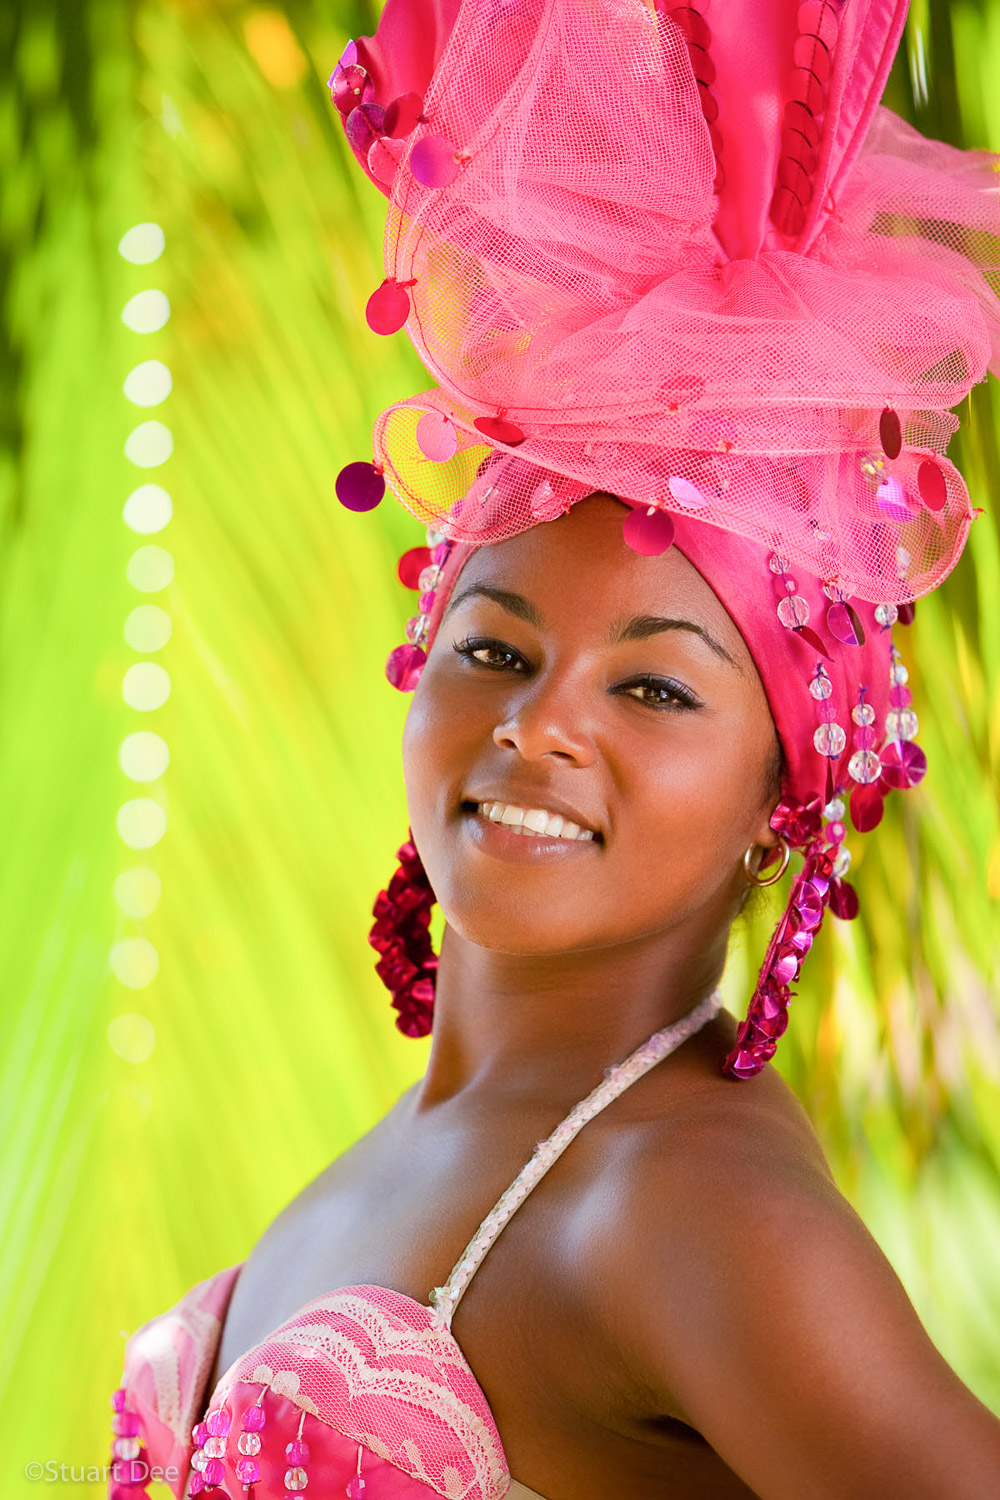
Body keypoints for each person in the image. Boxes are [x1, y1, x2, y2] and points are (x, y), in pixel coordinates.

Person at [107, 1, 1000, 1497]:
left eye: (656, 690)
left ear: (786, 792)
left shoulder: (692, 1212)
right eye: (494, 651)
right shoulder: (428, 1136)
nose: (538, 723)